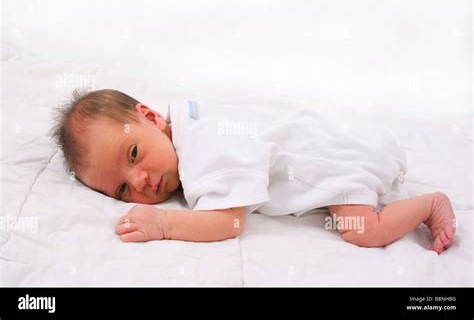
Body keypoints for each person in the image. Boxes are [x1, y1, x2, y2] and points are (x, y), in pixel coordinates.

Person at [51, 89, 456, 253]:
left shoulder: (202, 148)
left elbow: (228, 223)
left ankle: (429, 204)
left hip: (338, 161)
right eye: (122, 189)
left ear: (150, 116)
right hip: (339, 136)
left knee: (362, 229)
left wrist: (163, 224)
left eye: (134, 153)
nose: (139, 181)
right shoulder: (190, 117)